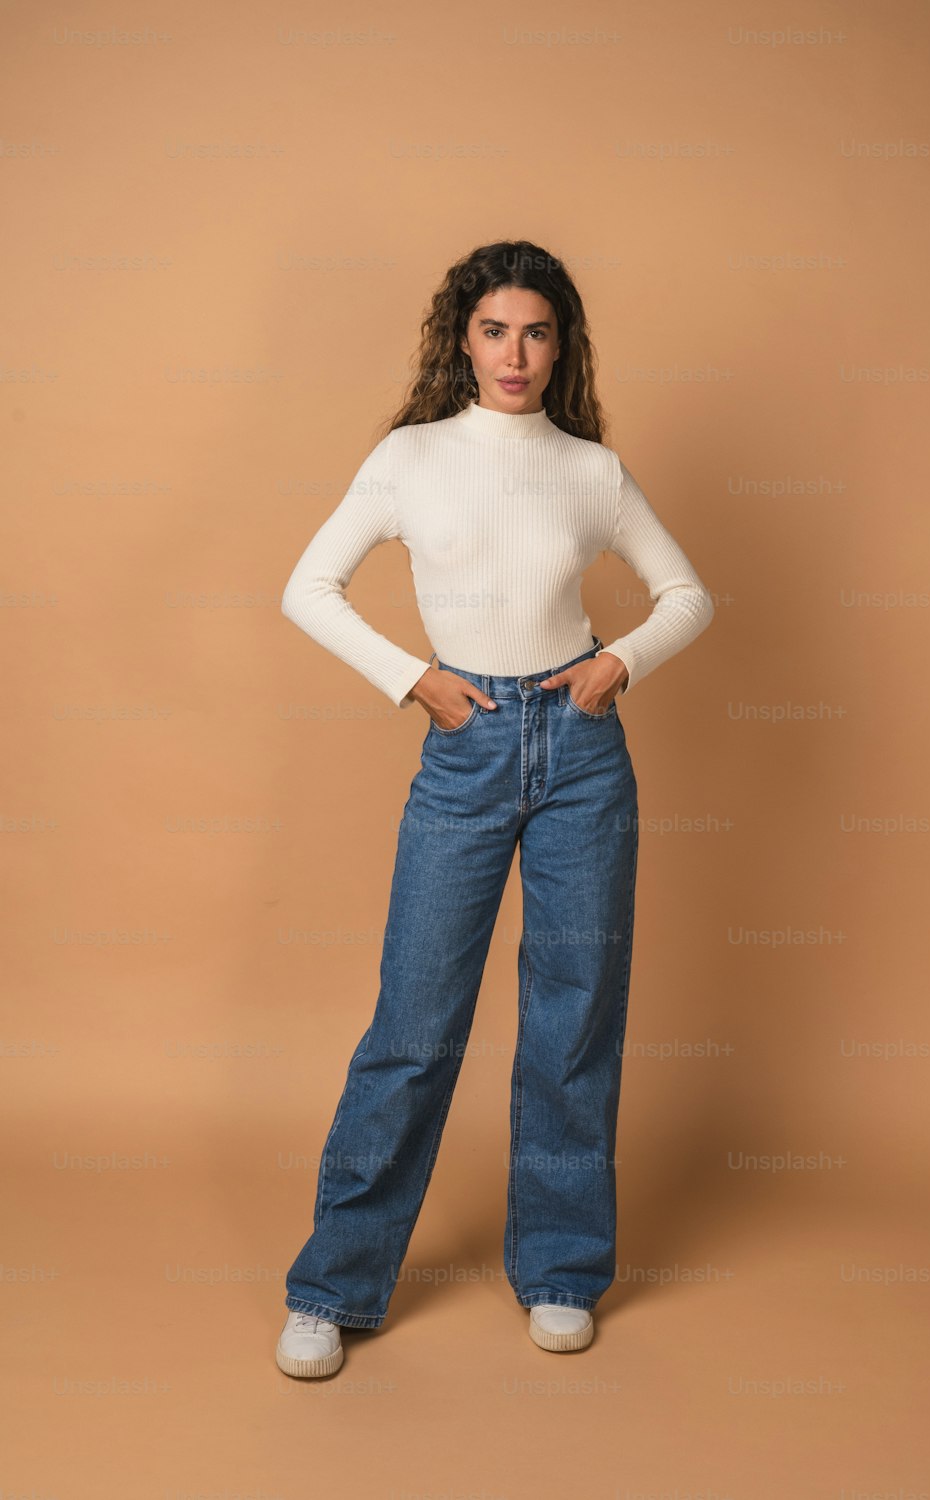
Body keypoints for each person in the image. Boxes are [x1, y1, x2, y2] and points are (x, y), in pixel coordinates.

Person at [274, 239, 715, 1378]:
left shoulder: (591, 470)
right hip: (465, 752)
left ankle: (562, 1270)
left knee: (572, 1021)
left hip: (580, 752)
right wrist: (413, 681)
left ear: (559, 345)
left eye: (535, 332)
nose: (514, 354)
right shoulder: (410, 457)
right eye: (492, 330)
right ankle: (334, 1287)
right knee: (414, 1025)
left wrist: (619, 661)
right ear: (459, 338)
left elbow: (687, 594)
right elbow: (305, 588)